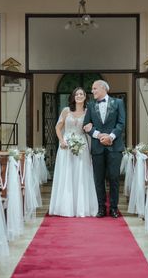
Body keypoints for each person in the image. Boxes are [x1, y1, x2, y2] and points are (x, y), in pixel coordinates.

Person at [48, 87, 99, 217]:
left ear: (85, 97)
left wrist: (91, 127)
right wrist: (61, 141)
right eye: (77, 94)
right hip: (66, 145)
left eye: (81, 94)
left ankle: (82, 207)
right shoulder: (66, 111)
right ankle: (66, 207)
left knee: (81, 174)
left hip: (82, 145)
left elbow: (91, 127)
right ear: (73, 97)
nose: (79, 96)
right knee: (67, 173)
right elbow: (58, 127)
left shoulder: (89, 111)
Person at [82, 80, 126, 218]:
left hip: (115, 147)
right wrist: (99, 135)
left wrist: (111, 137)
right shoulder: (90, 105)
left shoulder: (118, 103)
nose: (92, 91)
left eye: (94, 88)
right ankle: (101, 208)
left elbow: (121, 123)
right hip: (97, 148)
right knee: (98, 179)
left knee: (114, 178)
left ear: (103, 88)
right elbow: (86, 125)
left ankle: (114, 208)